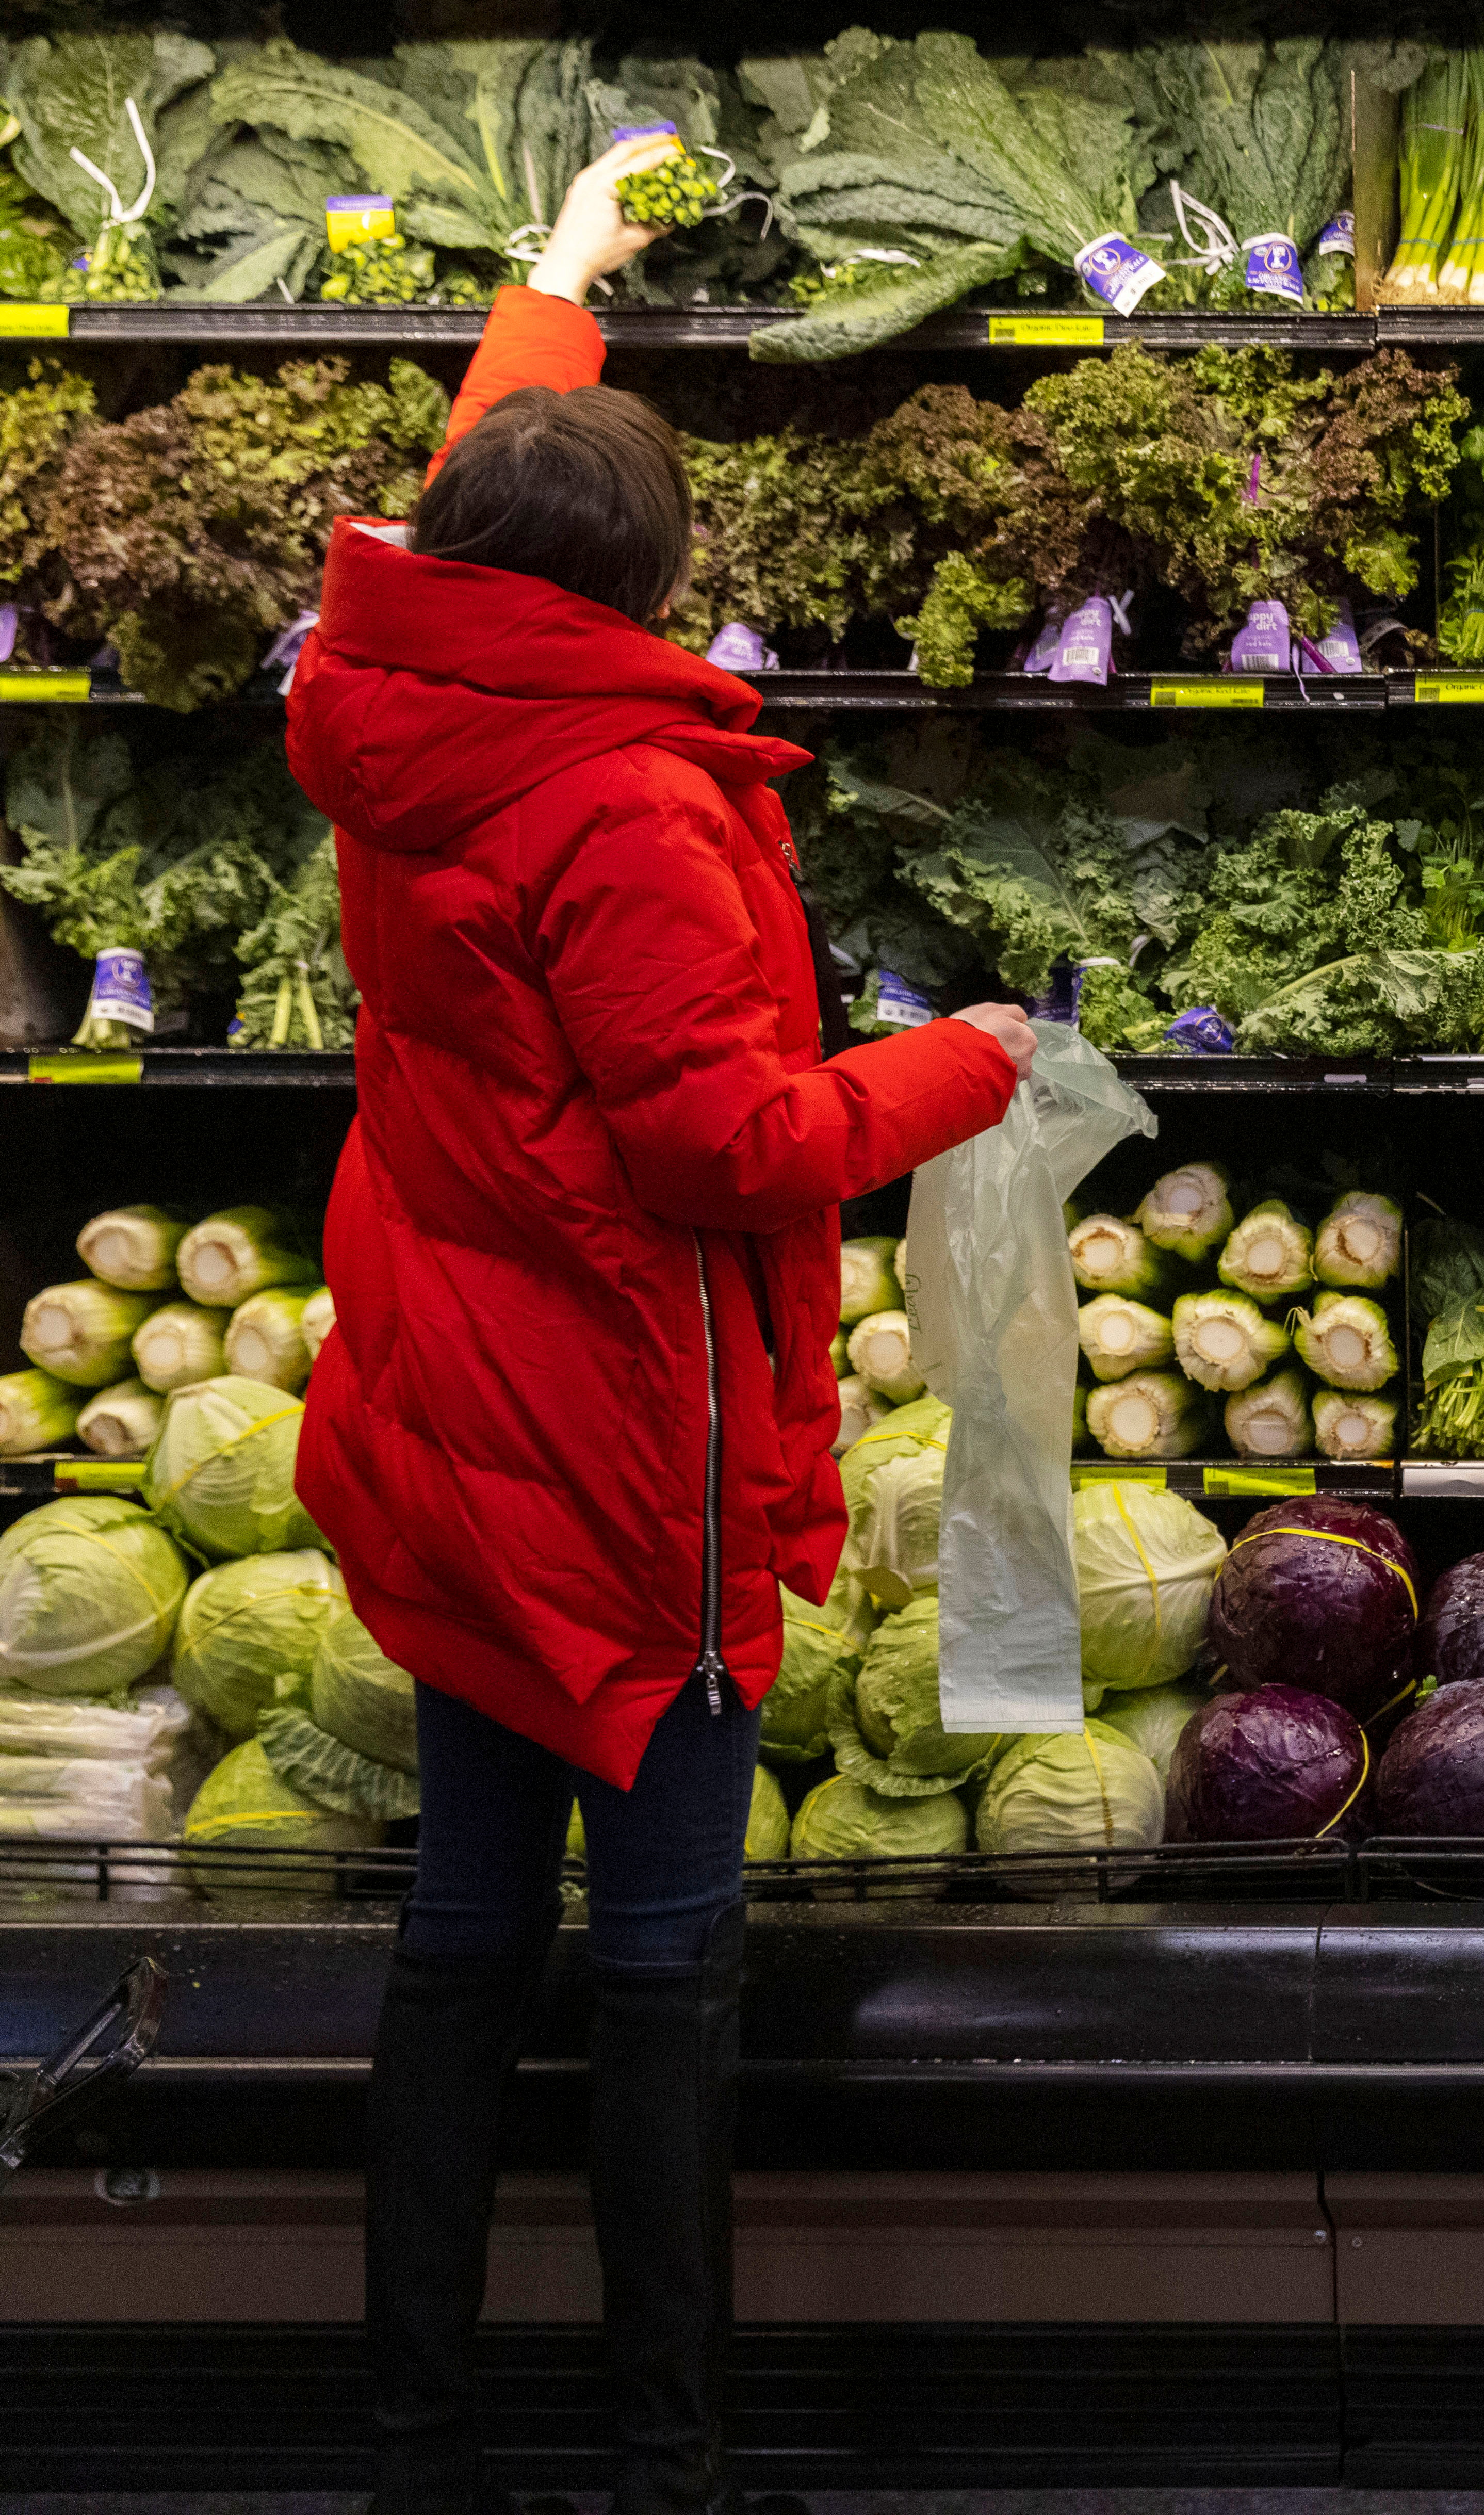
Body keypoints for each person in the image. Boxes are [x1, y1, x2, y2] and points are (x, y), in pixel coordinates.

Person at [282, 137, 1032, 2515]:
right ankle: (668, 2457)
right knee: (666, 1955)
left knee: (463, 1932)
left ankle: (411, 2441)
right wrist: (969, 1063)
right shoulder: (622, 804)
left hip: (445, 1398)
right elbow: (728, 1144)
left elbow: (467, 504)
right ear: (653, 576)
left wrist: (558, 288)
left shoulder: (396, 691)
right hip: (622, 1443)